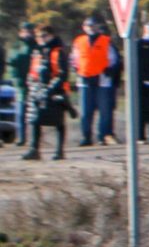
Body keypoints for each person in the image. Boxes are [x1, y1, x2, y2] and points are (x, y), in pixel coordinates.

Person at [21, 25, 69, 161]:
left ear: (51, 35)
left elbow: (62, 74)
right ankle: (34, 149)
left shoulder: (58, 51)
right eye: (38, 36)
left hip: (56, 90)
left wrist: (50, 89)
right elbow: (33, 71)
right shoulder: (37, 51)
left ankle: (59, 151)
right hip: (38, 89)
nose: (41, 39)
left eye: (44, 36)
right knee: (35, 119)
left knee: (58, 121)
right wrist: (31, 82)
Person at [72, 16, 118, 147]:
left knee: (105, 110)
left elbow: (114, 59)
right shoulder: (79, 41)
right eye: (88, 26)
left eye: (94, 26)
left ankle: (104, 136)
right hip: (85, 80)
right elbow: (74, 59)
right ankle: (86, 137)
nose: (91, 28)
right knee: (85, 111)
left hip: (102, 80)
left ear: (98, 27)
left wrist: (109, 71)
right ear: (84, 27)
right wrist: (77, 70)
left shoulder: (106, 41)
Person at [6, 24, 32, 149]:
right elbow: (11, 62)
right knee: (21, 111)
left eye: (29, 31)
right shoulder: (16, 46)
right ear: (21, 32)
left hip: (34, 82)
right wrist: (15, 79)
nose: (27, 34)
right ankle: (21, 138)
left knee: (35, 112)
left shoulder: (36, 45)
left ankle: (34, 138)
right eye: (25, 31)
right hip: (21, 82)